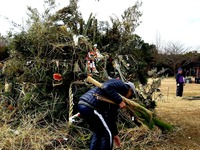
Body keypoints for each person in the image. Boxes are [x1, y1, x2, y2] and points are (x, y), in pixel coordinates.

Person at [78, 79, 135, 150]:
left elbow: (110, 116)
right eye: (131, 96)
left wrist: (115, 134)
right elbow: (106, 86)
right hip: (91, 106)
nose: (128, 98)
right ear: (130, 90)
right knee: (107, 134)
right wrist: (119, 101)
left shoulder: (114, 96)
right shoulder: (122, 86)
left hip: (84, 105)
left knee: (98, 133)